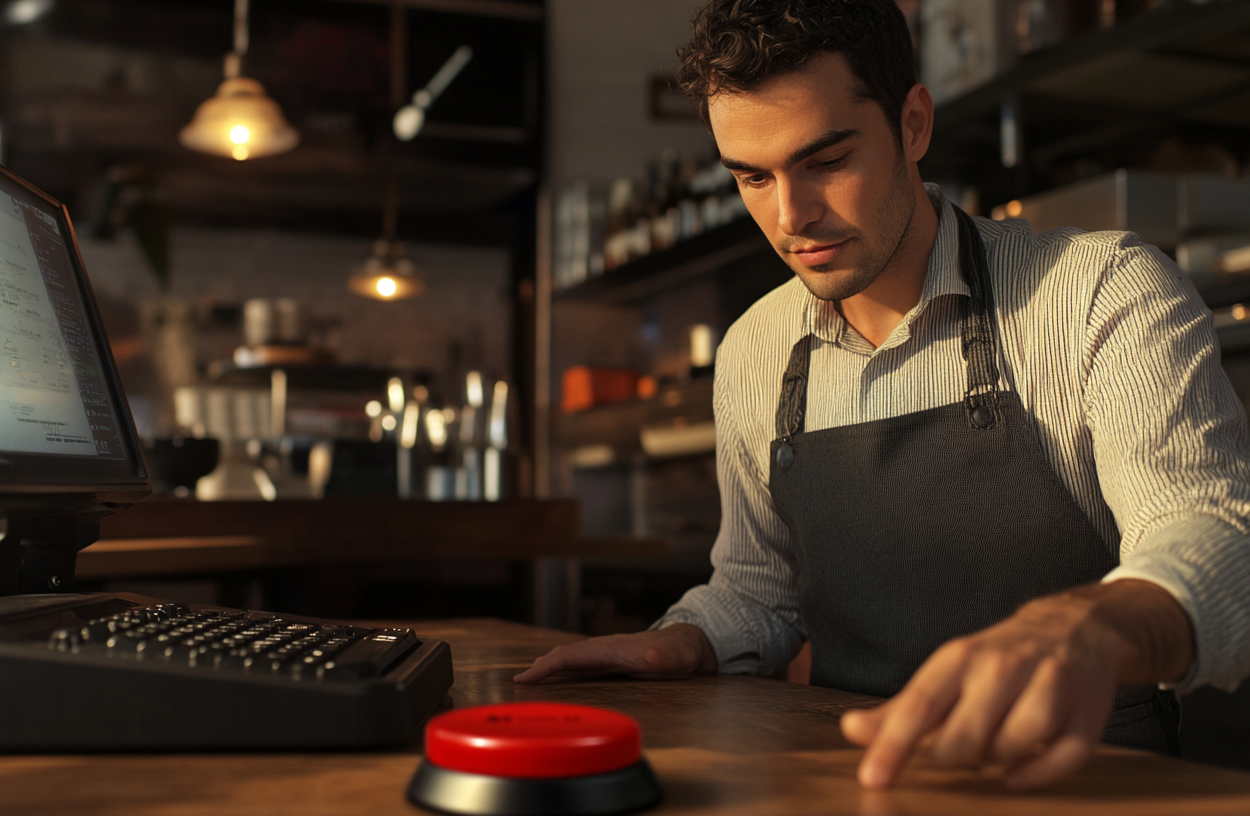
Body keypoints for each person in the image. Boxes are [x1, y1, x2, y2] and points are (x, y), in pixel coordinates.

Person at [516, 0, 1250, 791]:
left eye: (827, 159)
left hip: (1088, 789)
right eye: (753, 177)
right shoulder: (756, 351)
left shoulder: (1097, 294)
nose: (791, 217)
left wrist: (1093, 628)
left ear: (913, 125)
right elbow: (759, 590)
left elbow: (1216, 534)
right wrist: (690, 637)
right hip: (859, 785)